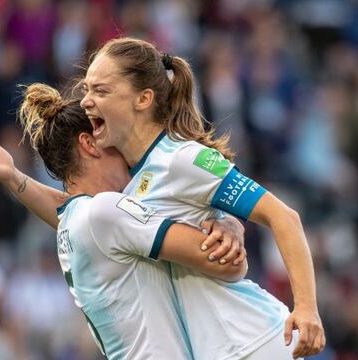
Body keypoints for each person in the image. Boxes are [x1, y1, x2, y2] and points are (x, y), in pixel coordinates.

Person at [78, 37, 325, 359]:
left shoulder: (182, 158)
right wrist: (15, 179)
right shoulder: (129, 177)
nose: (85, 101)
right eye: (85, 89)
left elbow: (284, 217)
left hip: (252, 341)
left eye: (101, 90)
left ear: (143, 99)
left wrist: (306, 309)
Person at [0, 88, 248, 359]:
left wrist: (13, 177)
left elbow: (62, 206)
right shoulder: (104, 212)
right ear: (89, 144)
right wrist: (226, 221)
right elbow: (226, 262)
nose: (126, 149)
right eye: (113, 137)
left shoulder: (75, 218)